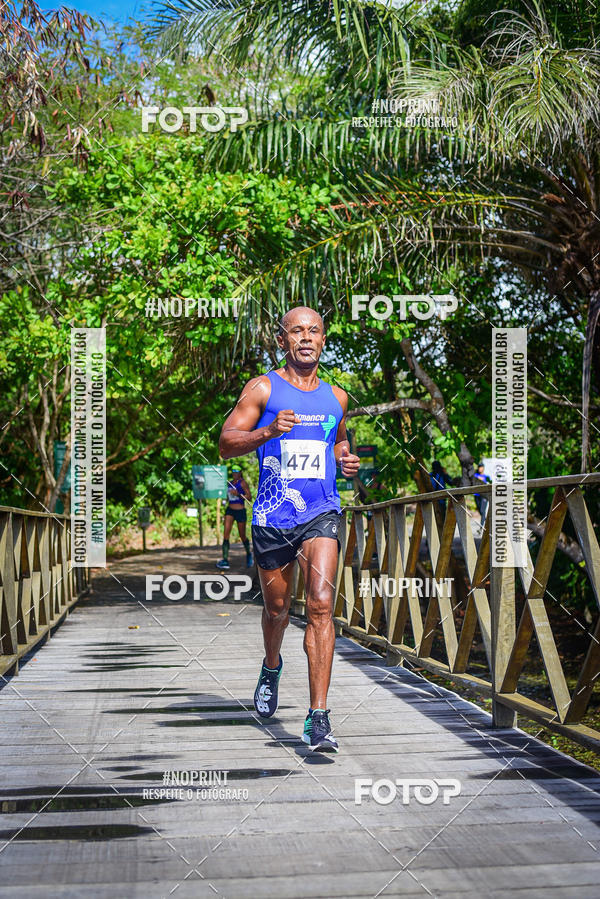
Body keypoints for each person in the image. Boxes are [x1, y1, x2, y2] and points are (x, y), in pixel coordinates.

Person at [218, 306, 360, 752]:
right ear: (282, 340)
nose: (305, 337)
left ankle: (318, 717)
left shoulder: (337, 397)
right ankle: (272, 664)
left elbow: (338, 441)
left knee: (320, 604)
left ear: (323, 340)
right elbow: (225, 443)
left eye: (313, 331)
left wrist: (344, 460)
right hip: (273, 516)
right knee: (277, 609)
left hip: (322, 510)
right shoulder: (263, 388)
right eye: (296, 331)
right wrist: (265, 433)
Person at [216, 467, 253, 570]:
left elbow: (249, 497)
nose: (234, 474)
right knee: (226, 534)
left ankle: (249, 555)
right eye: (233, 472)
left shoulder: (243, 483)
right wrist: (225, 499)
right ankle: (225, 560)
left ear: (240, 473)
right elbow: (228, 497)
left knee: (242, 535)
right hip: (230, 510)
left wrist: (238, 494)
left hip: (240, 511)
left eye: (236, 472)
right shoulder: (229, 483)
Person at [473, 462, 491, 529]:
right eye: (479, 467)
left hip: (484, 496)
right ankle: (485, 520)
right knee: (480, 511)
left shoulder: (486, 477)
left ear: (483, 468)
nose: (480, 468)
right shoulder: (475, 476)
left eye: (481, 467)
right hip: (477, 495)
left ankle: (481, 527)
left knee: (482, 511)